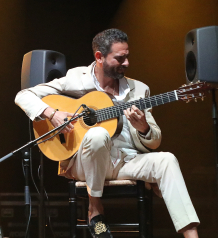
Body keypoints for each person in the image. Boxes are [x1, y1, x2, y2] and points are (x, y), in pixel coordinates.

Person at [15, 28, 200, 238]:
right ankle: (95, 208)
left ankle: (191, 234)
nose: (127, 63)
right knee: (97, 135)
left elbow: (155, 141)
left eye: (127, 56)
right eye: (120, 58)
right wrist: (52, 113)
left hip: (126, 161)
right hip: (86, 162)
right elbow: (24, 95)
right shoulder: (76, 78)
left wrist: (143, 128)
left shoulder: (139, 90)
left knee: (167, 159)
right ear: (99, 57)